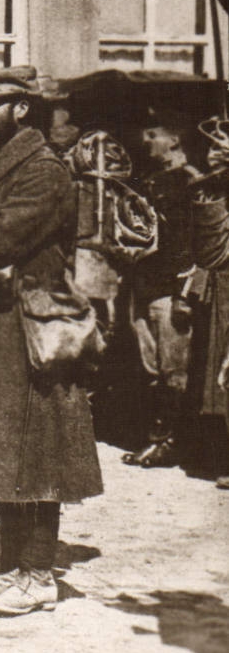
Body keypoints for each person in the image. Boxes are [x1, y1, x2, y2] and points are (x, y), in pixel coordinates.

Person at [0, 66, 103, 615]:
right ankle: (12, 568)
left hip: (32, 330)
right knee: (4, 451)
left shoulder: (43, 171)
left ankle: (38, 575)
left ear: (23, 109)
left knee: (37, 451)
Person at [122, 107, 203, 468]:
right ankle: (156, 437)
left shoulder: (192, 182)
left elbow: (195, 245)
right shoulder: (151, 180)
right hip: (144, 287)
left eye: (154, 134)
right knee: (152, 371)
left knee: (174, 372)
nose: (146, 140)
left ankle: (171, 442)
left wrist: (184, 295)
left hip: (171, 292)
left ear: (175, 140)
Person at [186, 114, 229, 490]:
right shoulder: (210, 190)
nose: (213, 153)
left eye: (220, 147)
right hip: (221, 290)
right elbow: (209, 249)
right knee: (218, 372)